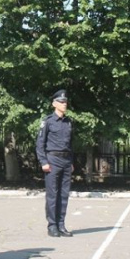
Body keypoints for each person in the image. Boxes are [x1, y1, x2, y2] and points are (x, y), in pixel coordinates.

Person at [35, 90, 74, 238]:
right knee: (53, 194)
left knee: (64, 194)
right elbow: (40, 143)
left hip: (65, 161)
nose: (64, 104)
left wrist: (71, 161)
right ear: (54, 104)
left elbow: (71, 144)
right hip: (52, 160)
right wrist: (43, 161)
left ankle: (61, 224)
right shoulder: (48, 121)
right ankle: (52, 225)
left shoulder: (68, 122)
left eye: (65, 102)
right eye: (61, 102)